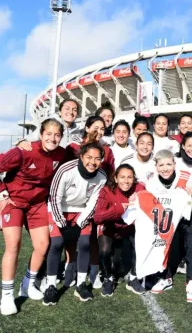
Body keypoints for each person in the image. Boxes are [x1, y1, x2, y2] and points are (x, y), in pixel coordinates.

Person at [0, 119, 66, 316]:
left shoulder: (61, 153)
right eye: (49, 133)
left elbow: (81, 156)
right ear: (41, 133)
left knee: (42, 245)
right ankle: (6, 295)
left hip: (37, 204)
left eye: (57, 135)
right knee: (13, 245)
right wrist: (2, 191)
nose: (52, 138)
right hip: (14, 202)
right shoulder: (23, 151)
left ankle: (27, 285)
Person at [43, 142, 107, 306]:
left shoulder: (102, 177)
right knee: (56, 243)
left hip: (81, 211)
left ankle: (81, 283)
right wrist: (62, 225)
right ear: (81, 156)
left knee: (85, 243)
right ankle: (51, 285)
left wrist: (79, 225)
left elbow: (93, 203)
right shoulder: (65, 170)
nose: (92, 162)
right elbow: (54, 197)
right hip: (60, 209)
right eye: (89, 157)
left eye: (97, 159)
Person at [146, 149, 192, 303]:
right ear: (156, 166)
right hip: (166, 220)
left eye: (168, 164)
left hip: (187, 217)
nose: (165, 168)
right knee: (163, 240)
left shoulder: (185, 176)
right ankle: (166, 276)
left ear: (174, 164)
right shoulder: (151, 183)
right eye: (161, 165)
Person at [94, 164, 146, 297]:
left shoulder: (139, 188)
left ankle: (134, 277)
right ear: (116, 178)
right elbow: (98, 217)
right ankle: (107, 279)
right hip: (110, 227)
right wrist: (117, 209)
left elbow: (148, 207)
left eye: (129, 177)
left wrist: (140, 199)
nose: (126, 181)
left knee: (141, 245)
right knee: (105, 251)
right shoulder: (106, 190)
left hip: (129, 227)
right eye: (122, 177)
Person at [17, 98, 81, 149]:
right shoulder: (49, 125)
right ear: (59, 112)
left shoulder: (79, 132)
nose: (71, 112)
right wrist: (22, 142)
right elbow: (31, 138)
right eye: (67, 109)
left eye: (74, 110)